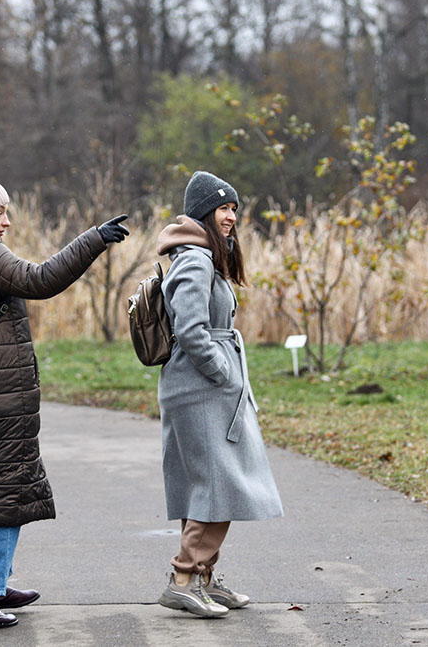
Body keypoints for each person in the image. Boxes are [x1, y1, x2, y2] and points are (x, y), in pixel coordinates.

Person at [0, 164, 130, 633]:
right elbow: (41, 279)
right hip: (1, 396)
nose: (6, 221)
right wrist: (94, 238)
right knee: (3, 492)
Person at [153, 170, 283, 618]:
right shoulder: (195, 259)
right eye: (223, 208)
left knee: (213, 483)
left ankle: (203, 576)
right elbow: (191, 328)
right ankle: (184, 577)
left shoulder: (206, 255)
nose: (230, 217)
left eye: (233, 209)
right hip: (200, 388)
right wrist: (222, 372)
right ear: (203, 211)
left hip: (205, 387)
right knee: (217, 484)